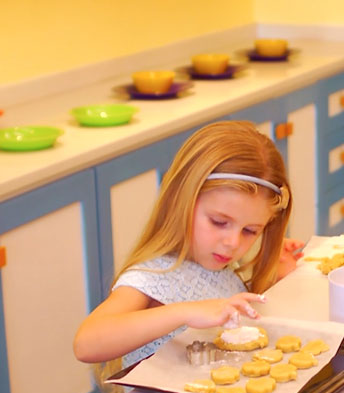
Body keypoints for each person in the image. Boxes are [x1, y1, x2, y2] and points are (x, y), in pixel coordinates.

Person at [73, 121, 303, 374]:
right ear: (181, 201)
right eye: (219, 222)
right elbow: (87, 343)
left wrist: (279, 276)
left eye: (250, 231)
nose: (233, 243)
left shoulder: (223, 267)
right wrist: (186, 312)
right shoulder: (152, 276)